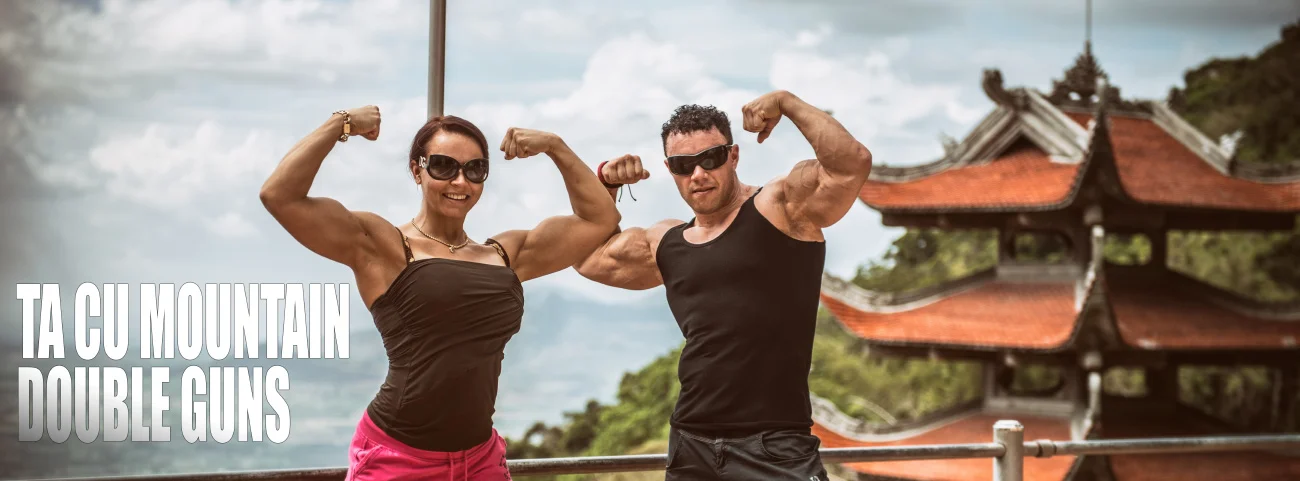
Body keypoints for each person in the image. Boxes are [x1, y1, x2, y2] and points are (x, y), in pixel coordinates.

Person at [260, 105, 620, 480]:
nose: (460, 182)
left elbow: (600, 219)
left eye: (475, 169)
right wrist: (341, 123)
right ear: (417, 170)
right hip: (398, 459)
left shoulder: (506, 255)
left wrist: (555, 146)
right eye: (444, 166)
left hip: (480, 461)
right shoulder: (382, 245)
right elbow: (279, 196)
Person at [575, 90, 873, 480]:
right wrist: (605, 185)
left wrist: (787, 103)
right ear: (670, 170)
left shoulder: (780, 207)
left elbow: (851, 165)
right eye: (684, 165)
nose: (698, 174)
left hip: (774, 446)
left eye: (711, 158)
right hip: (691, 444)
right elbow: (585, 257)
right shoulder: (665, 242)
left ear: (733, 156)